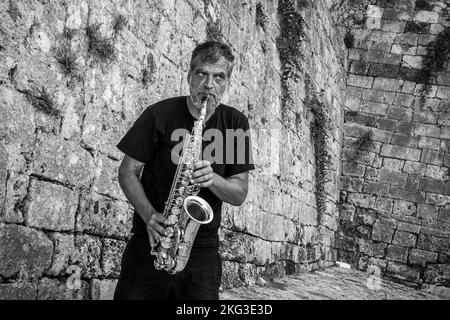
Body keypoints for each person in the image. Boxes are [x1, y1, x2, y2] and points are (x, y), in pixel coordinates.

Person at [113, 40, 255, 300]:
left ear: (227, 83)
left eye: (219, 77)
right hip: (150, 243)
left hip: (201, 254)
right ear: (190, 76)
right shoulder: (159, 114)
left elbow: (239, 193)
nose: (209, 85)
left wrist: (212, 179)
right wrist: (149, 215)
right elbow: (127, 171)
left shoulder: (235, 123)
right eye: (202, 73)